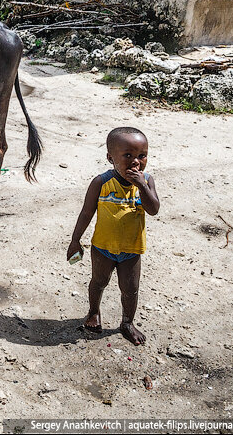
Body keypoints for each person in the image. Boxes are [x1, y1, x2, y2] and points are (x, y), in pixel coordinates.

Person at [66, 127, 160, 345]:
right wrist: (75, 240)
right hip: (103, 247)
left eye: (142, 156)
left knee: (130, 289)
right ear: (110, 158)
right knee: (99, 282)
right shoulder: (101, 182)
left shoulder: (147, 181)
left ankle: (127, 322)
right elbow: (86, 213)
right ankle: (93, 312)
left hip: (132, 249)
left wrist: (142, 186)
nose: (136, 162)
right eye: (128, 155)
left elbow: (153, 209)